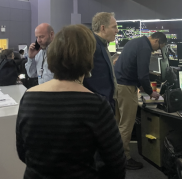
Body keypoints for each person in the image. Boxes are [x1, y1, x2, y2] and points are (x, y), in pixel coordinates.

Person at [16, 24, 126, 179]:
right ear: (88, 57)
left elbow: (22, 153)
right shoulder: (96, 105)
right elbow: (116, 165)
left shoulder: (28, 99)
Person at [114, 32, 167, 170]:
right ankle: (124, 159)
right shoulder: (145, 48)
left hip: (118, 85)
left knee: (119, 124)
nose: (158, 50)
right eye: (159, 47)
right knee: (126, 125)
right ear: (156, 41)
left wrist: (140, 85)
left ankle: (115, 155)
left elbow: (131, 67)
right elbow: (143, 73)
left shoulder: (135, 42)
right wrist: (151, 92)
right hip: (126, 88)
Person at [83, 12, 119, 111]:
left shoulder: (101, 44)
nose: (117, 30)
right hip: (97, 105)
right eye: (114, 27)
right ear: (103, 28)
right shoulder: (92, 46)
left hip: (103, 102)